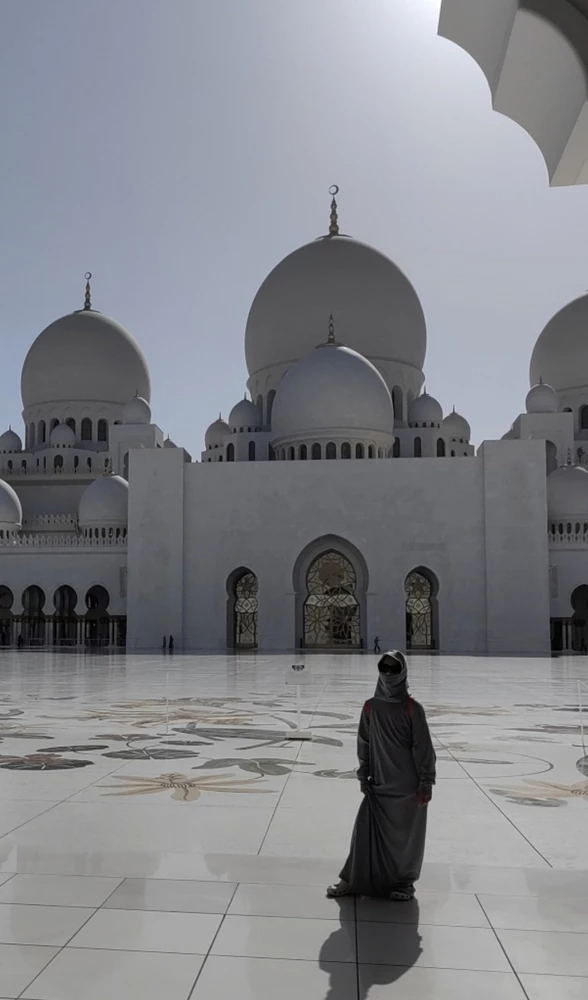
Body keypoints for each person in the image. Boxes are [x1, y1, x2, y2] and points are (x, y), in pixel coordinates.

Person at [327, 650, 436, 901]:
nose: (388, 673)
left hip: (407, 786)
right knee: (364, 830)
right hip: (378, 782)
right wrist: (363, 773)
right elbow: (363, 742)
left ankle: (403, 883)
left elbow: (423, 748)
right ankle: (351, 879)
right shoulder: (370, 706)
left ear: (403, 672)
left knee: (405, 839)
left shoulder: (412, 708)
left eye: (393, 669)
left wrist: (426, 782)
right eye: (383, 668)